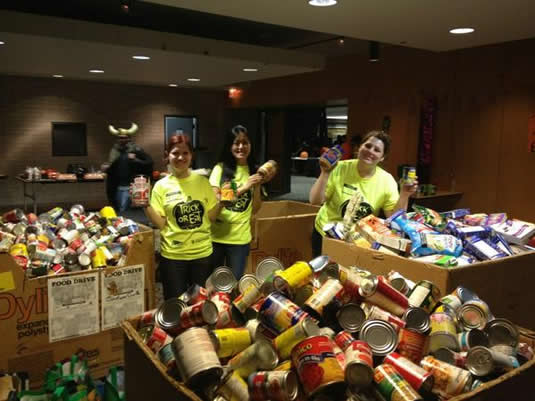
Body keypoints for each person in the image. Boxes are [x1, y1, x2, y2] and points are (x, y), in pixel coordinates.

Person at [309, 130, 418, 257]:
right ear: (360, 147)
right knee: (321, 274)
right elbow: (315, 201)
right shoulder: (339, 168)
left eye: (377, 150)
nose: (370, 151)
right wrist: (325, 173)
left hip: (359, 240)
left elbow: (395, 220)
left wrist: (404, 194)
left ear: (382, 157)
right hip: (326, 235)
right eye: (367, 146)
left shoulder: (387, 181)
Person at [143, 134, 222, 299]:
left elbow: (211, 218)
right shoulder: (160, 186)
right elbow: (162, 224)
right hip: (173, 257)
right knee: (175, 305)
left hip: (202, 254)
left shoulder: (202, 182)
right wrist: (145, 205)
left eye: (185, 153)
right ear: (167, 156)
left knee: (201, 305)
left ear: (191, 156)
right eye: (175, 153)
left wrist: (222, 204)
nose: (180, 157)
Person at [209, 125, 263, 278]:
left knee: (234, 282)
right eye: (236, 143)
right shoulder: (220, 169)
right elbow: (215, 200)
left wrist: (257, 187)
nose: (241, 147)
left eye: (245, 142)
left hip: (240, 238)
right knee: (214, 282)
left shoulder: (254, 170)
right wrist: (245, 187)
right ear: (229, 146)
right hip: (216, 236)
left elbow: (255, 209)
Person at [102, 123, 153, 213]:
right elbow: (113, 167)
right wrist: (107, 168)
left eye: (125, 137)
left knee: (137, 212)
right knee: (121, 211)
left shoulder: (136, 150)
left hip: (135, 187)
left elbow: (149, 162)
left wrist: (136, 160)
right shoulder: (114, 151)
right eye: (120, 137)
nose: (122, 139)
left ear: (129, 138)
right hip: (118, 187)